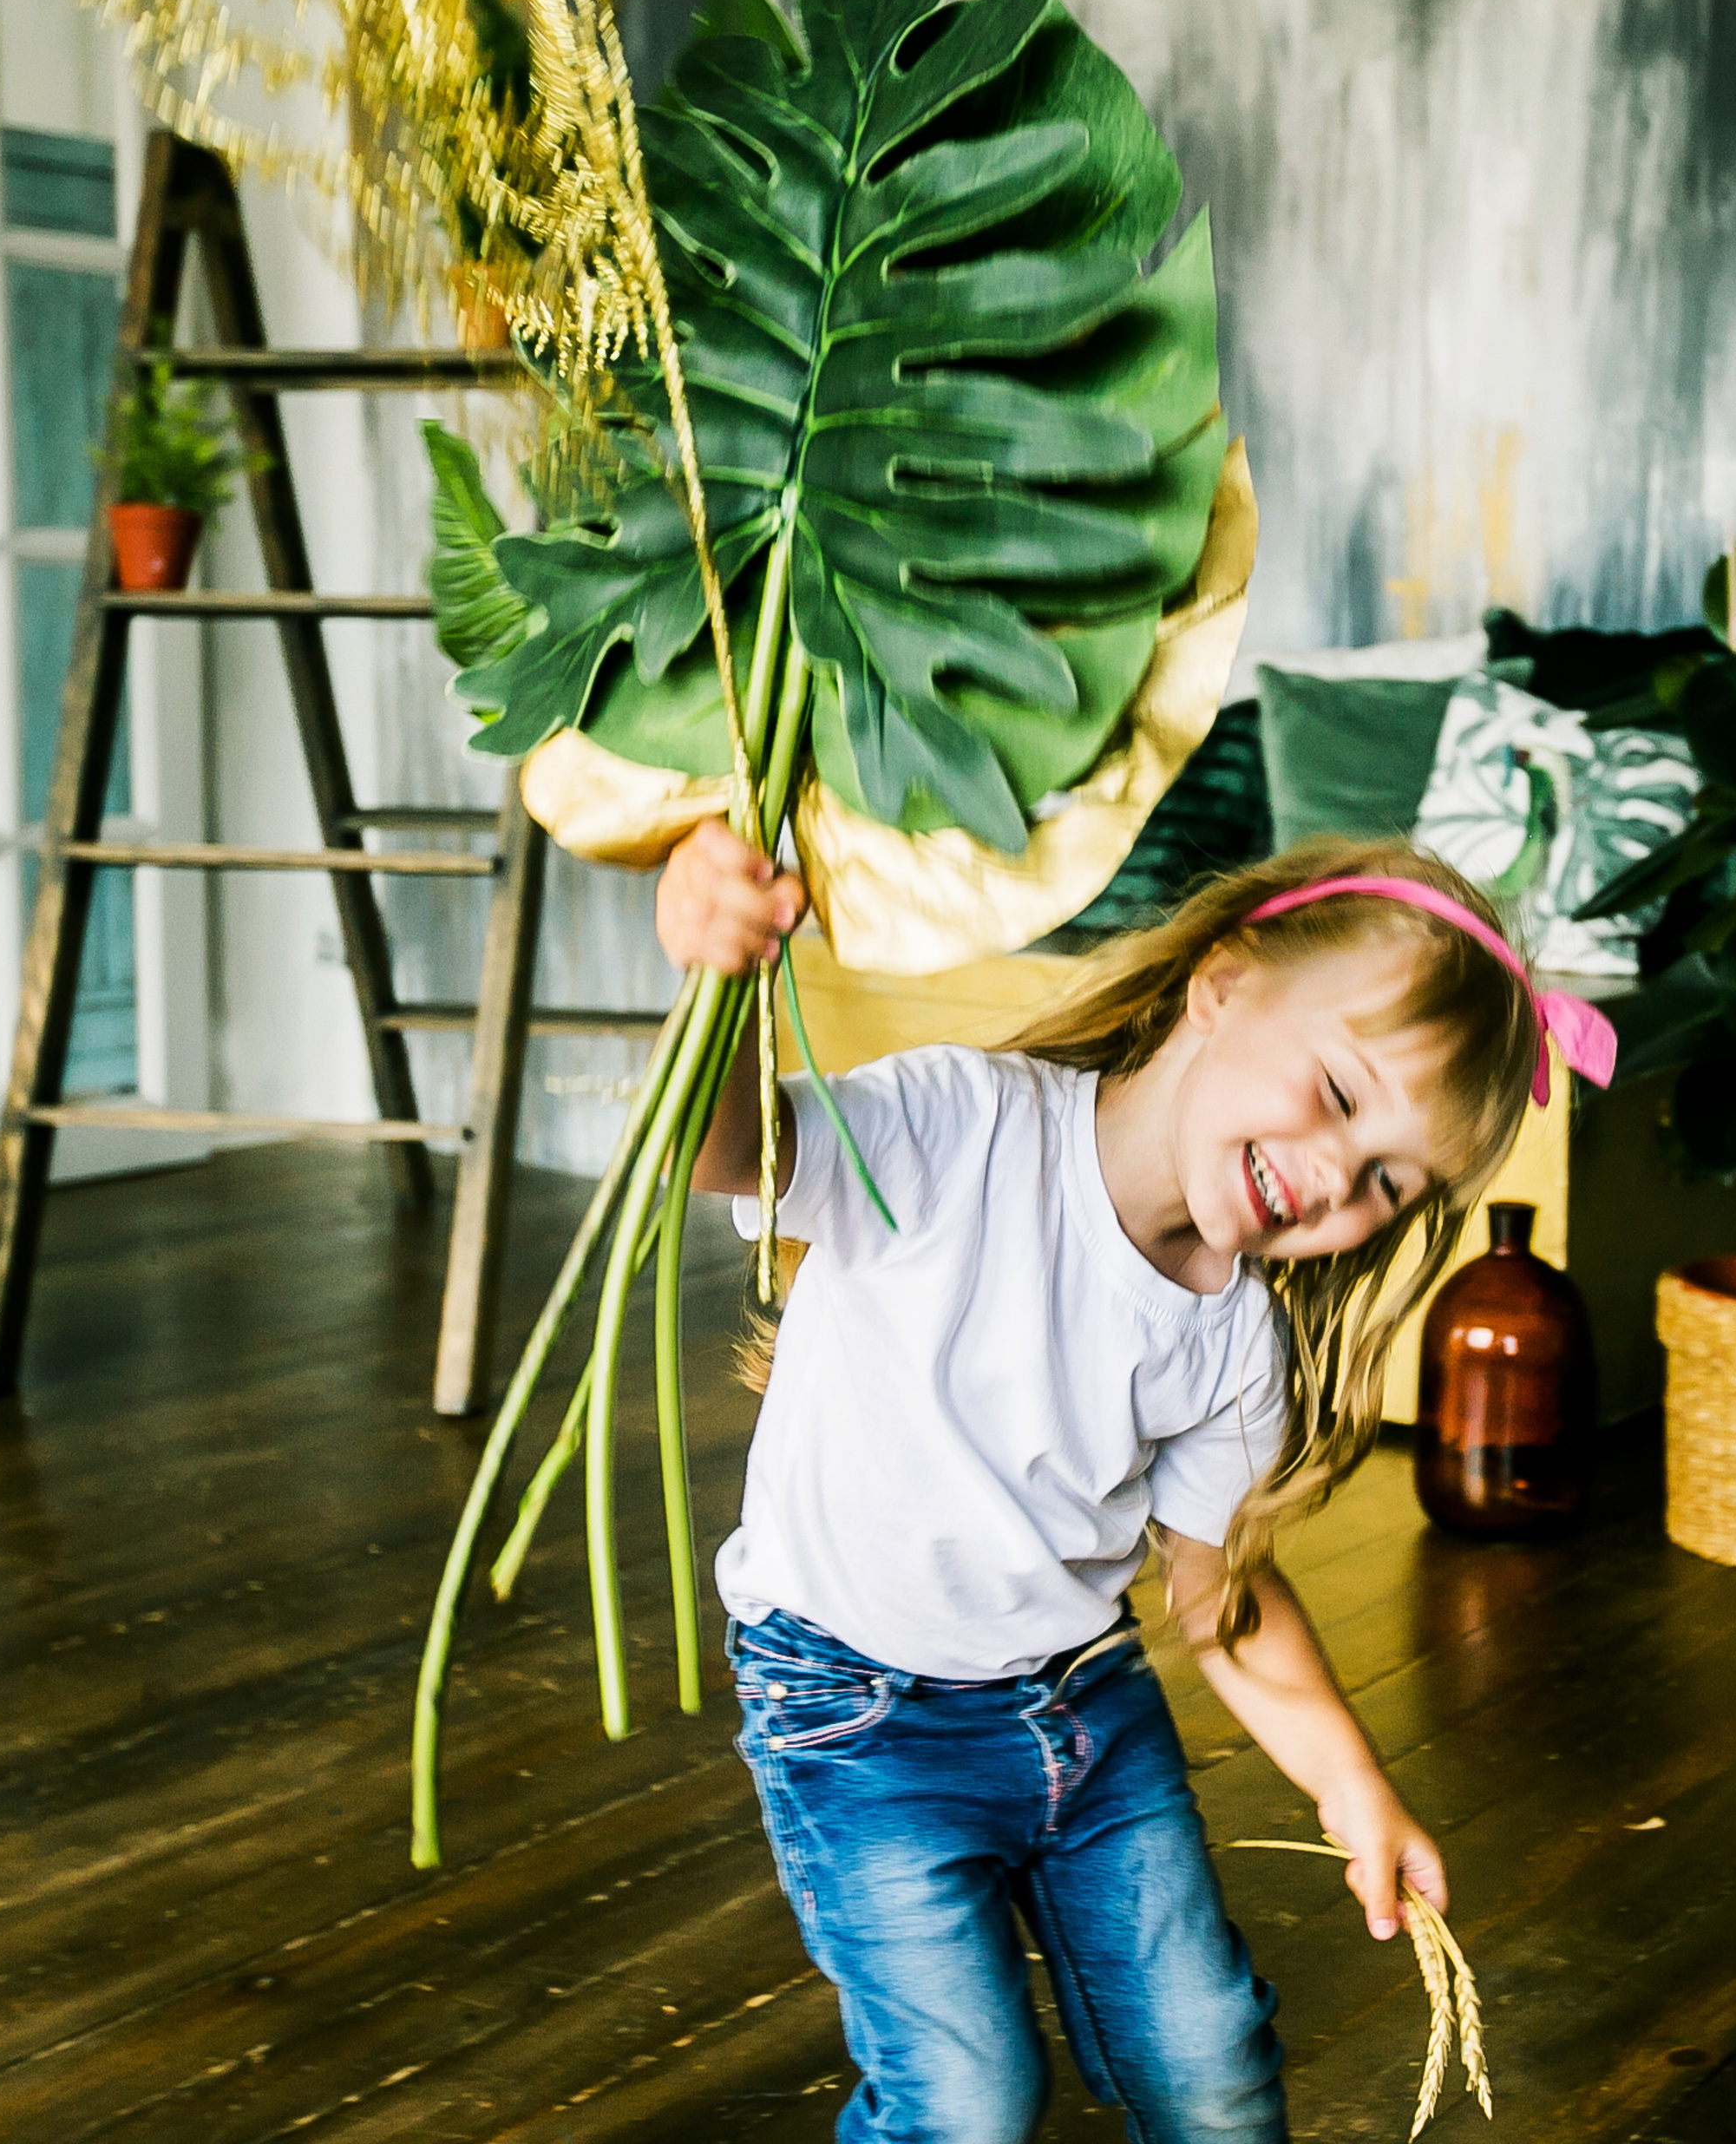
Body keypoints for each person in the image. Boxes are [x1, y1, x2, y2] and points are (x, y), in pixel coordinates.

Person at [654, 824, 1613, 2143]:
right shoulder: (961, 1125)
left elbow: (1223, 1594)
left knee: (1214, 2061)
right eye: (1338, 1096)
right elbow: (730, 1150)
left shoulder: (1233, 1335)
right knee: (968, 2102)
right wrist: (717, 978)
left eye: (1391, 1181)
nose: (1340, 1176)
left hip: (1084, 1713)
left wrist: (1352, 1784)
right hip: (856, 1718)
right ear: (1221, 986)